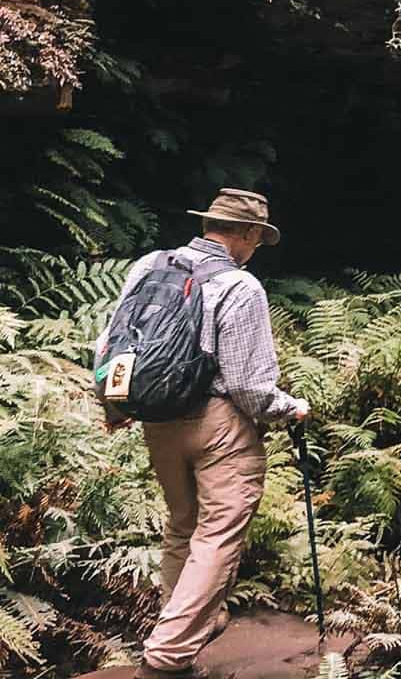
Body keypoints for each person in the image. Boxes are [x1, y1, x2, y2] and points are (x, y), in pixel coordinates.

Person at [98, 188, 310, 679]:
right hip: (220, 427)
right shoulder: (240, 286)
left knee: (181, 527)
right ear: (250, 234)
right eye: (258, 239)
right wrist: (291, 408)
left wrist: (115, 404)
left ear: (208, 224)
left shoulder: (150, 266)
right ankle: (168, 657)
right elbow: (248, 386)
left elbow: (112, 342)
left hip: (157, 421)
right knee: (217, 537)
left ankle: (185, 624)